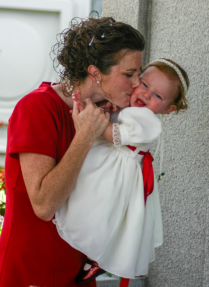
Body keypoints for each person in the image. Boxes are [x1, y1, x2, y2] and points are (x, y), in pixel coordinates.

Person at [0, 15, 145, 287]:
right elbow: (44, 204)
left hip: (79, 272)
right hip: (31, 272)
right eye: (129, 74)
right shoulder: (37, 108)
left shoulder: (106, 116)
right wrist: (84, 137)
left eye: (139, 75)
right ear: (96, 73)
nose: (137, 84)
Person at [54, 58, 189, 283]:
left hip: (116, 176)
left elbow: (111, 133)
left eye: (158, 96)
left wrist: (90, 115)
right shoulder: (129, 106)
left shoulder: (148, 121)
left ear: (169, 109)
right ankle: (91, 253)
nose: (146, 95)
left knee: (101, 214)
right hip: (104, 163)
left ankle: (98, 257)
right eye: (144, 85)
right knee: (87, 203)